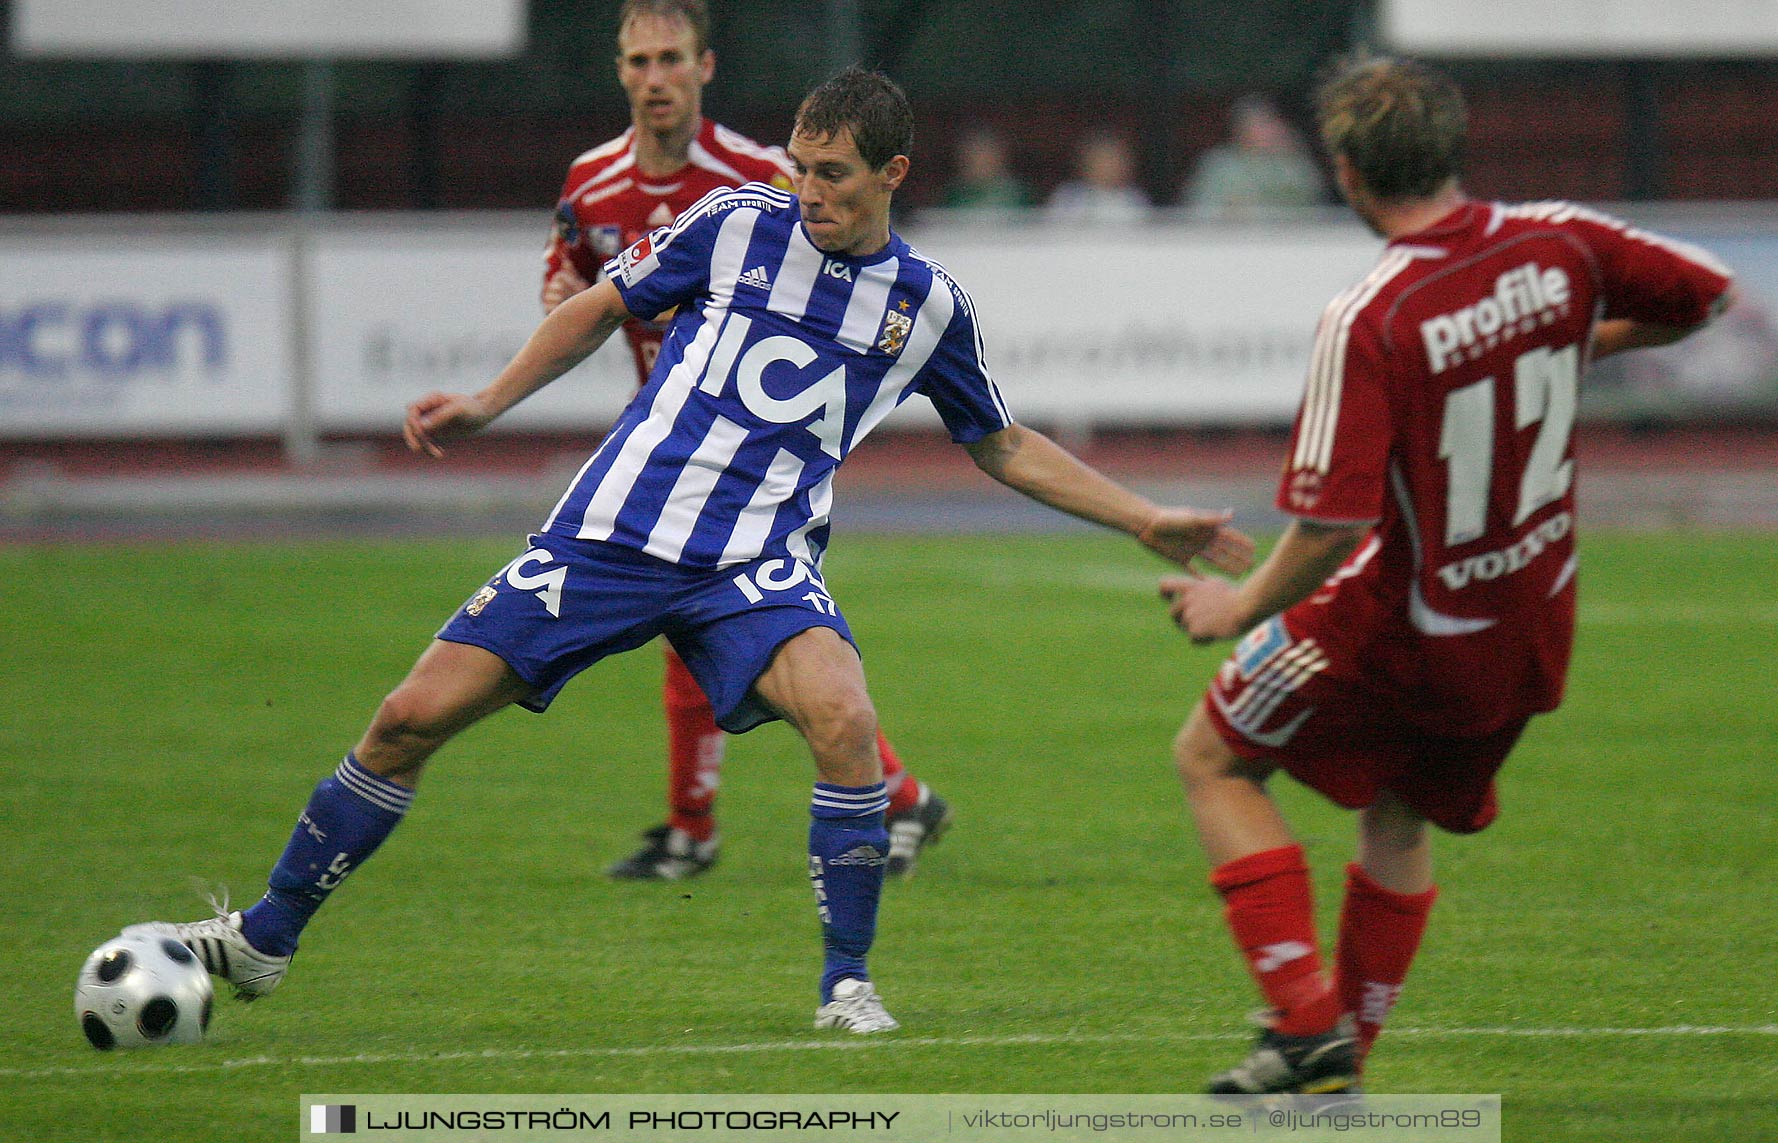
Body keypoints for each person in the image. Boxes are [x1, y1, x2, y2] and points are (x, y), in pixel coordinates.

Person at [131, 67, 1254, 1035]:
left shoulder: (926, 307)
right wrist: (487, 402)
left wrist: (1146, 517)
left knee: (847, 719)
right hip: (613, 531)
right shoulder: (733, 222)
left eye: (835, 175)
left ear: (894, 174)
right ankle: (268, 937)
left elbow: (1002, 443)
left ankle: (848, 985)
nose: (808, 192)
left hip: (753, 564)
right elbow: (595, 308)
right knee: (407, 719)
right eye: (803, 167)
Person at [1158, 52, 1734, 1093]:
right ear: (1452, 145)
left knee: (1212, 757)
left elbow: (1331, 525)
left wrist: (1235, 603)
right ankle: (1341, 1068)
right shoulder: (1560, 242)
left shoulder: (1373, 314)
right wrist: (1568, 345)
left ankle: (1304, 1022)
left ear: (1345, 172)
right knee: (1401, 813)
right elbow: (1707, 294)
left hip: (1403, 621)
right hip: (1528, 622)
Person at [542, 0, 948, 882]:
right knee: (722, 638)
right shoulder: (591, 181)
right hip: (666, 437)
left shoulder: (763, 179)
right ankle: (886, 796)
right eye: (639, 60)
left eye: (671, 59)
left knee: (745, 636)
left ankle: (704, 828)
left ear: (705, 67)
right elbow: (570, 274)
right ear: (620, 69)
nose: (656, 78)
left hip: (759, 449)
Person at [1182, 94, 1324, 222]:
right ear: (1241, 130)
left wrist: (1291, 154)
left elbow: (1311, 199)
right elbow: (1200, 211)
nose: (1269, 130)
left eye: (1269, 123)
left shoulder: (1288, 161)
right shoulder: (1220, 164)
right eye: (1260, 124)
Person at [1044, 129, 1152, 224]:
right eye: (1105, 160)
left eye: (1116, 161)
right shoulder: (1068, 197)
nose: (1112, 167)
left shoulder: (1134, 198)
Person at [938, 126, 1032, 213]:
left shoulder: (1019, 196)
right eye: (974, 158)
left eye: (987, 159)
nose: (981, 164)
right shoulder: (952, 196)